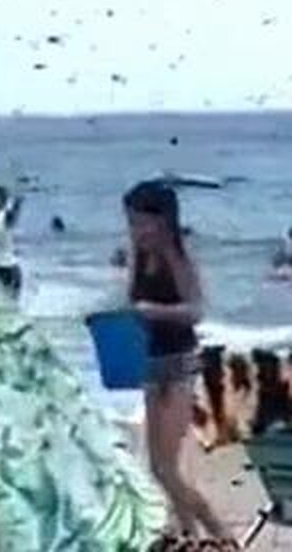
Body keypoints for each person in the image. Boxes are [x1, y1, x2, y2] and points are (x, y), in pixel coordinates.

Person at [124, 181, 229, 541]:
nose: (136, 230)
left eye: (141, 223)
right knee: (157, 466)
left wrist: (155, 311)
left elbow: (195, 310)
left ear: (164, 222)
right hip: (151, 360)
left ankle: (218, 532)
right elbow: (131, 302)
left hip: (180, 361)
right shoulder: (139, 256)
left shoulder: (177, 258)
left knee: (169, 469)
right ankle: (191, 535)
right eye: (132, 223)